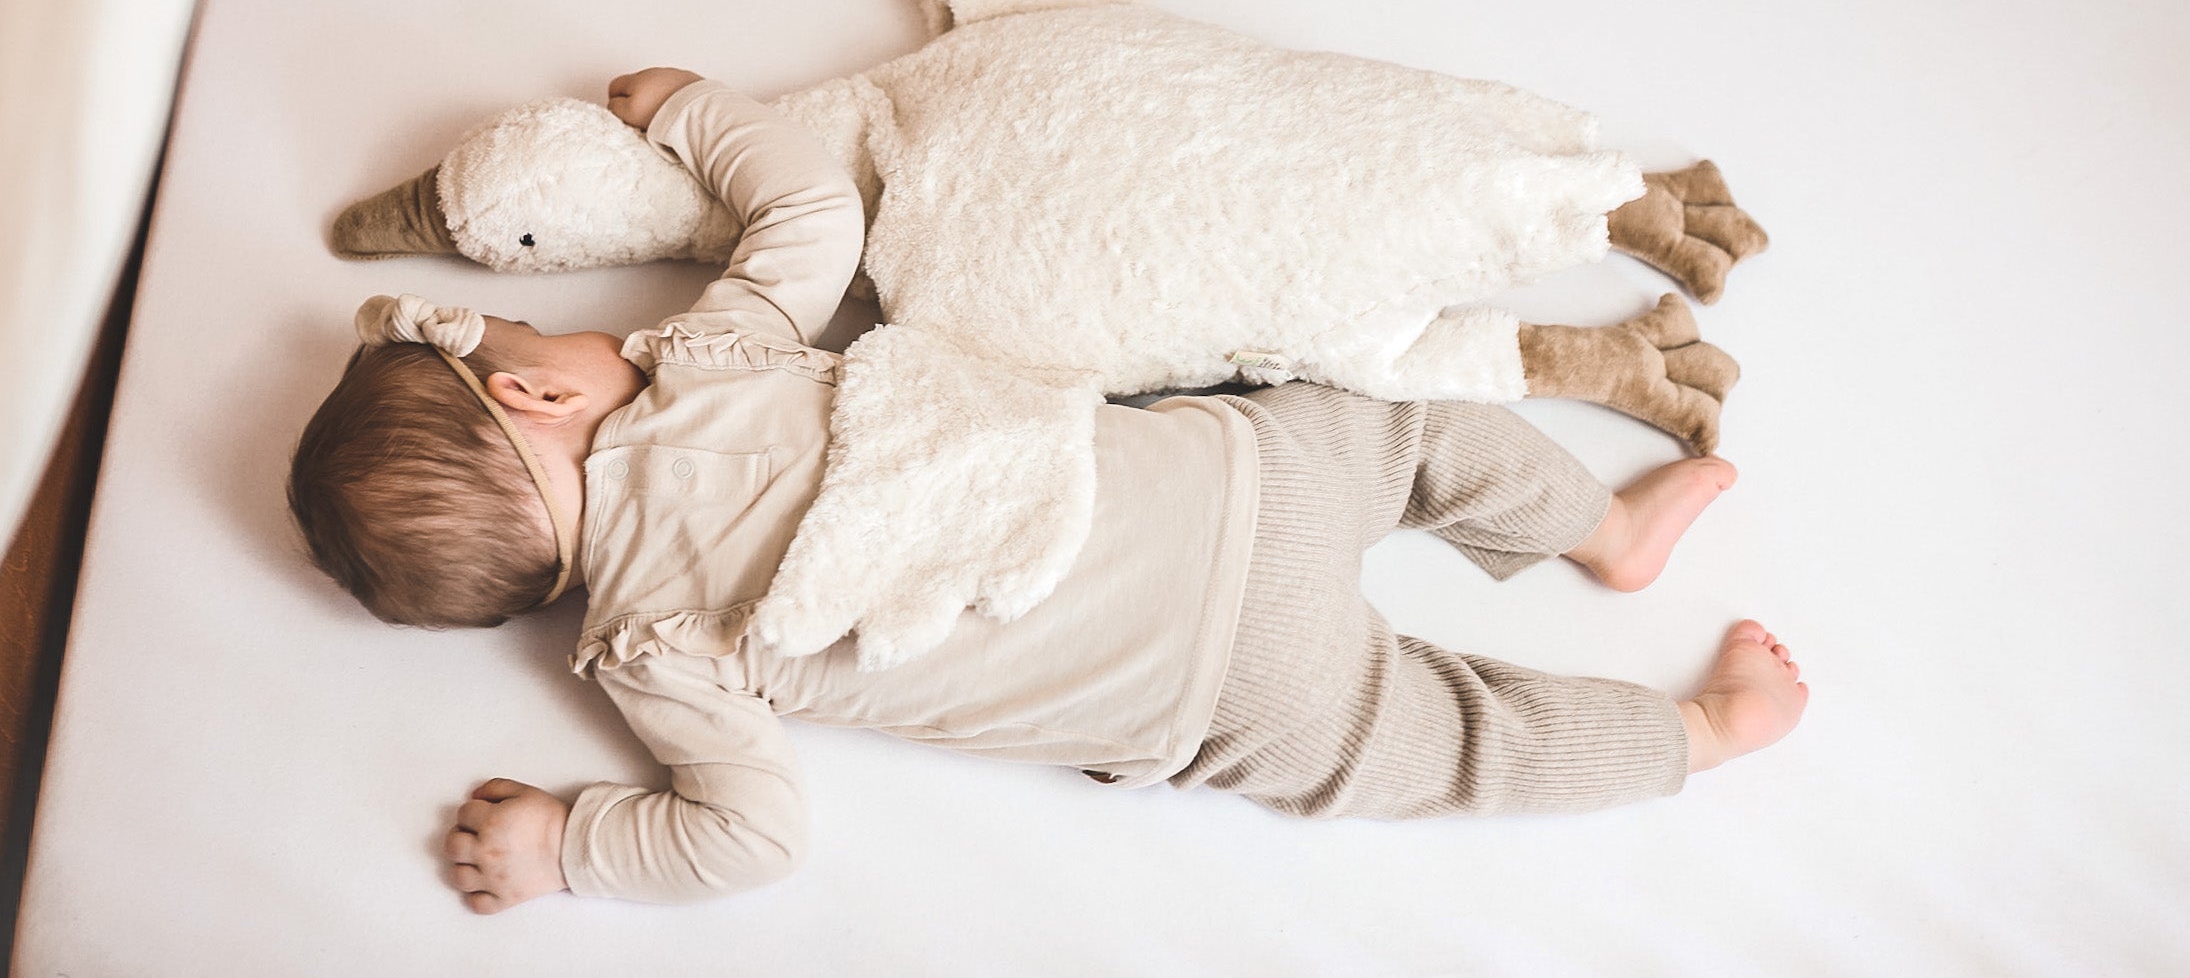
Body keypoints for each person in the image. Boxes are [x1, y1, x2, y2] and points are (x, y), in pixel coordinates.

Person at [288, 68, 1808, 915]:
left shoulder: (651, 650)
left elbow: (745, 841)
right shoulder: (703, 362)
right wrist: (687, 109)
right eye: (526, 346)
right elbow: (802, 197)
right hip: (1243, 480)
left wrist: (568, 845)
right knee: (1411, 437)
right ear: (535, 391)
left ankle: (1700, 733)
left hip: (1219, 699)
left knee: (1452, 747)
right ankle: (1605, 530)